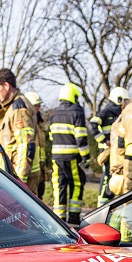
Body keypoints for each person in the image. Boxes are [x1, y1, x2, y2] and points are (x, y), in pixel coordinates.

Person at [48, 82, 90, 223]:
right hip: (71, 156)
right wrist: (86, 157)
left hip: (56, 157)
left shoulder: (54, 113)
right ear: (74, 97)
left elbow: (51, 136)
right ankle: (73, 216)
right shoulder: (77, 112)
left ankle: (59, 217)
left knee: (59, 184)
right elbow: (81, 138)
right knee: (77, 183)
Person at [0, 68, 36, 182]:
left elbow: (25, 145)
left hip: (17, 176)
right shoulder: (12, 107)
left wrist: (20, 181)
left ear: (6, 86)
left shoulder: (18, 108)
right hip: (11, 173)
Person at [90, 86, 129, 206]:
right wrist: (104, 141)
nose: (126, 103)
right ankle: (101, 204)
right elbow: (93, 125)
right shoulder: (106, 112)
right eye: (124, 101)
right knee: (106, 176)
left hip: (116, 152)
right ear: (119, 100)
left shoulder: (121, 113)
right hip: (108, 152)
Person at [24, 91, 51, 198]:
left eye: (39, 105)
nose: (38, 108)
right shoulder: (26, 121)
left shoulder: (40, 122)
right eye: (36, 105)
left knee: (40, 196)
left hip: (40, 167)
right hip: (30, 168)